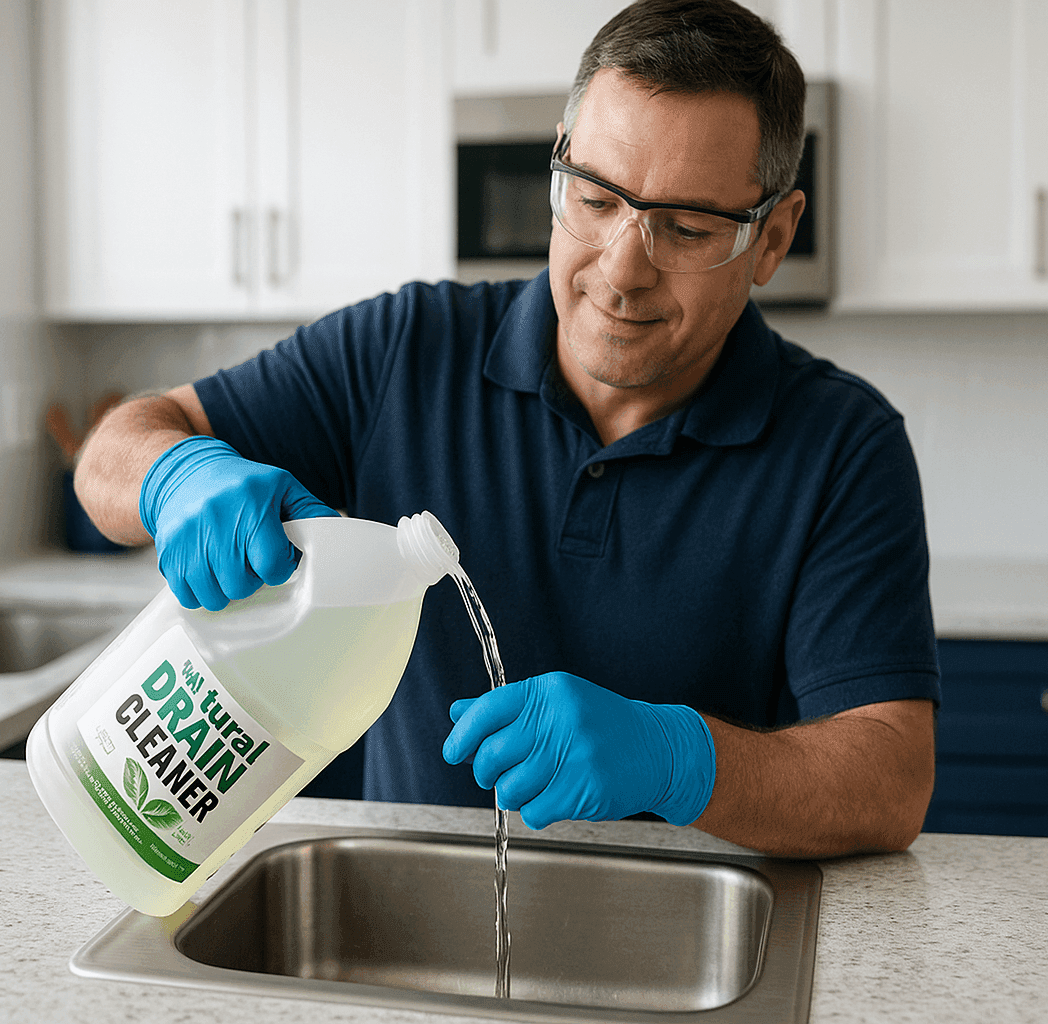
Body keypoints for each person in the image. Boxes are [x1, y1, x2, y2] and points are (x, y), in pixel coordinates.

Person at [75, 0, 940, 859]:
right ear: (558, 163)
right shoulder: (403, 350)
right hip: (406, 902)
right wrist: (174, 474)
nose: (622, 270)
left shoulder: (844, 446)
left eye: (685, 228)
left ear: (773, 238)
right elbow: (112, 455)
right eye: (595, 198)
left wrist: (683, 760)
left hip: (699, 920)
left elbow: (892, 781)